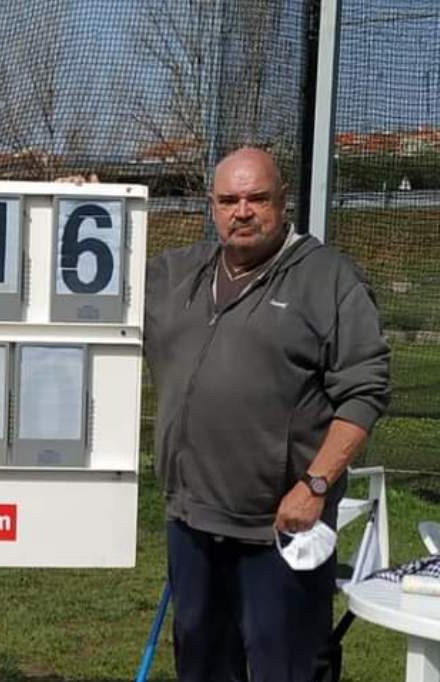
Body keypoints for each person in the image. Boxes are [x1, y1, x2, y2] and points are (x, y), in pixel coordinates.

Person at [144, 147, 390, 681]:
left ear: (283, 202)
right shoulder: (176, 275)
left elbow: (364, 392)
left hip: (281, 527)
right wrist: (82, 196)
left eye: (257, 198)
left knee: (289, 668)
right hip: (192, 522)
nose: (243, 211)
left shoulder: (328, 279)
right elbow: (95, 276)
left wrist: (316, 484)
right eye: (229, 200)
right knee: (204, 666)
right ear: (212, 207)